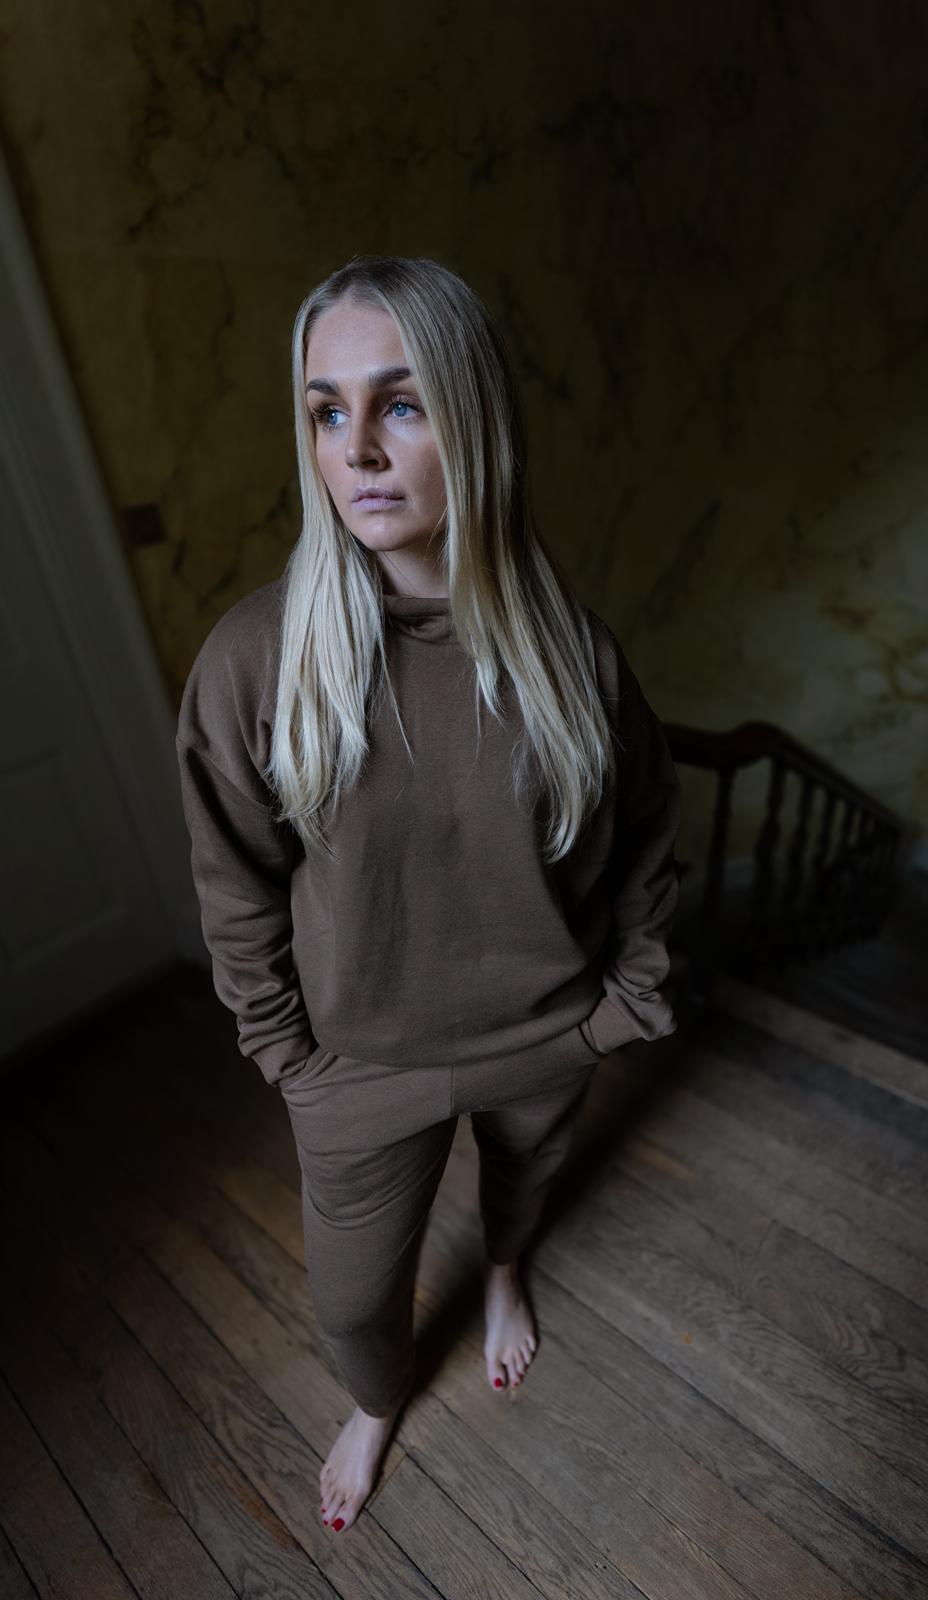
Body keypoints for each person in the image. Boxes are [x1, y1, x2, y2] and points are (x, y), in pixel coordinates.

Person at [175, 254, 681, 1534]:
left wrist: (622, 1002)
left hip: (545, 1032)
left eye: (400, 404)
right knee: (351, 1301)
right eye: (326, 409)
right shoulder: (254, 660)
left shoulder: (574, 652)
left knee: (522, 1185)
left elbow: (642, 841)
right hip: (360, 1064)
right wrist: (291, 1056)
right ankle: (378, 1395)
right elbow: (233, 879)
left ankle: (508, 1268)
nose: (358, 448)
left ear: (472, 418)